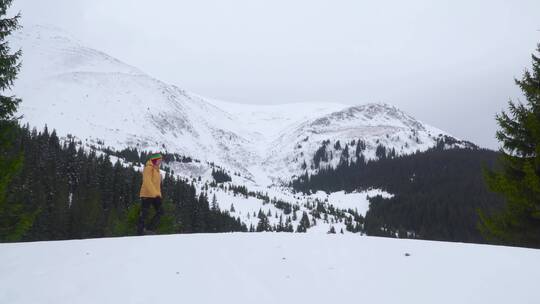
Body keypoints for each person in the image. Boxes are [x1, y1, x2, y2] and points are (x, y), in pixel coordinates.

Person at [137, 153, 163, 235]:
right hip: (147, 194)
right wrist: (155, 193)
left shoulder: (157, 170)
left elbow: (157, 185)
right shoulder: (148, 168)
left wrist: (158, 194)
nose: (161, 161)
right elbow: (147, 181)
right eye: (159, 160)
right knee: (144, 213)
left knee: (161, 211)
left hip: (155, 195)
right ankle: (140, 231)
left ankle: (148, 229)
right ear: (155, 160)